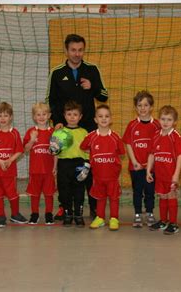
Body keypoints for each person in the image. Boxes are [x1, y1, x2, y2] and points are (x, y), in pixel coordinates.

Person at [46, 33, 108, 220]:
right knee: (65, 172)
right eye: (73, 50)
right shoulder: (57, 72)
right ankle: (63, 207)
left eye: (80, 50)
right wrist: (56, 122)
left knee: (89, 169)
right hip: (65, 131)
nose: (77, 54)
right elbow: (51, 100)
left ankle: (94, 206)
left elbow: (104, 95)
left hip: (88, 128)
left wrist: (93, 87)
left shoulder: (92, 69)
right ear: (66, 50)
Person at [80, 104, 126, 231]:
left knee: (113, 197)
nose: (104, 119)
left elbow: (122, 154)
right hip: (98, 176)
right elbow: (83, 147)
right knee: (100, 197)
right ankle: (100, 218)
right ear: (95, 119)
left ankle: (114, 218)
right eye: (100, 116)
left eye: (106, 116)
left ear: (111, 119)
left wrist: (113, 164)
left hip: (112, 176)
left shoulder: (115, 137)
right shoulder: (91, 137)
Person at [122, 90, 160, 228]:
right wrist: (134, 162)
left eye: (145, 105)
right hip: (136, 167)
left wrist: (150, 165)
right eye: (139, 105)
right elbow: (128, 144)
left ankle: (149, 213)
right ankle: (137, 214)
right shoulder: (132, 125)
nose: (143, 108)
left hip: (151, 168)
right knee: (137, 191)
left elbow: (158, 147)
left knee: (150, 192)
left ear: (151, 107)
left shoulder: (157, 125)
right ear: (135, 108)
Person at [146, 105, 181, 235]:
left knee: (171, 196)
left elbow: (180, 156)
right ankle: (163, 220)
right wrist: (148, 170)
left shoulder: (175, 136)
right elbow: (152, 154)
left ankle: (173, 223)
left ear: (174, 122)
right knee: (162, 196)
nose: (165, 122)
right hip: (160, 175)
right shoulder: (156, 135)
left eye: (169, 120)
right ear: (159, 120)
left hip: (171, 175)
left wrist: (176, 175)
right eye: (163, 119)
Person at [0, 102, 27, 227]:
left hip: (9, 171)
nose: (3, 118)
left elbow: (20, 150)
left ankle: (15, 214)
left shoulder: (14, 133)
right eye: (0, 116)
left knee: (12, 193)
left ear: (11, 117)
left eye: (5, 115)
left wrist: (10, 160)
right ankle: (1, 216)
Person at [56, 101, 89, 227]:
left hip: (79, 164)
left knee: (79, 190)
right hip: (64, 164)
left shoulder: (84, 132)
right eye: (69, 114)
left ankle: (78, 216)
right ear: (64, 115)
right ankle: (68, 214)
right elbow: (55, 152)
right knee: (64, 191)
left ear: (80, 116)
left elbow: (87, 151)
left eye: (75, 114)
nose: (72, 117)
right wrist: (55, 167)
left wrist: (87, 165)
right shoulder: (60, 132)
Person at [23, 102, 56, 225]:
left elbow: (56, 152)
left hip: (48, 170)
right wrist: (32, 139)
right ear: (34, 117)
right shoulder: (31, 131)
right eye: (38, 114)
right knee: (34, 194)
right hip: (35, 170)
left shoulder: (53, 132)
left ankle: (49, 214)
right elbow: (25, 149)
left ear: (49, 116)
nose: (41, 117)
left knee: (49, 194)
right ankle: (34, 214)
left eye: (44, 114)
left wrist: (55, 167)